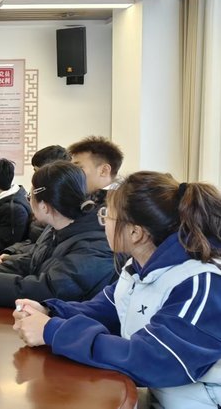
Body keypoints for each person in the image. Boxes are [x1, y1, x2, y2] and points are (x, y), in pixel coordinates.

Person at [14, 172, 221, 409]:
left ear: (135, 232)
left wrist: (53, 331)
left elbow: (153, 360)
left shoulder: (200, 283)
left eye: (107, 215)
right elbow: (104, 309)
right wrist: (50, 312)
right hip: (159, 396)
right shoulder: (138, 267)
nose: (103, 222)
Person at [0, 161, 115, 307]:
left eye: (31, 194)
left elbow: (50, 289)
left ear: (44, 206)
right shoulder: (57, 227)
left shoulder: (93, 242)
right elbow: (34, 262)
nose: (27, 198)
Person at [0, 145, 73, 259]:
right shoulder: (43, 197)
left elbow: (46, 251)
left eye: (37, 171)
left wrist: (12, 257)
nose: (34, 177)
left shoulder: (62, 208)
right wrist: (11, 252)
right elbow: (34, 241)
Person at [67, 136, 124, 203]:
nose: (71, 173)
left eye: (78, 168)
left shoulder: (123, 203)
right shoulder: (88, 200)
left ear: (104, 171)